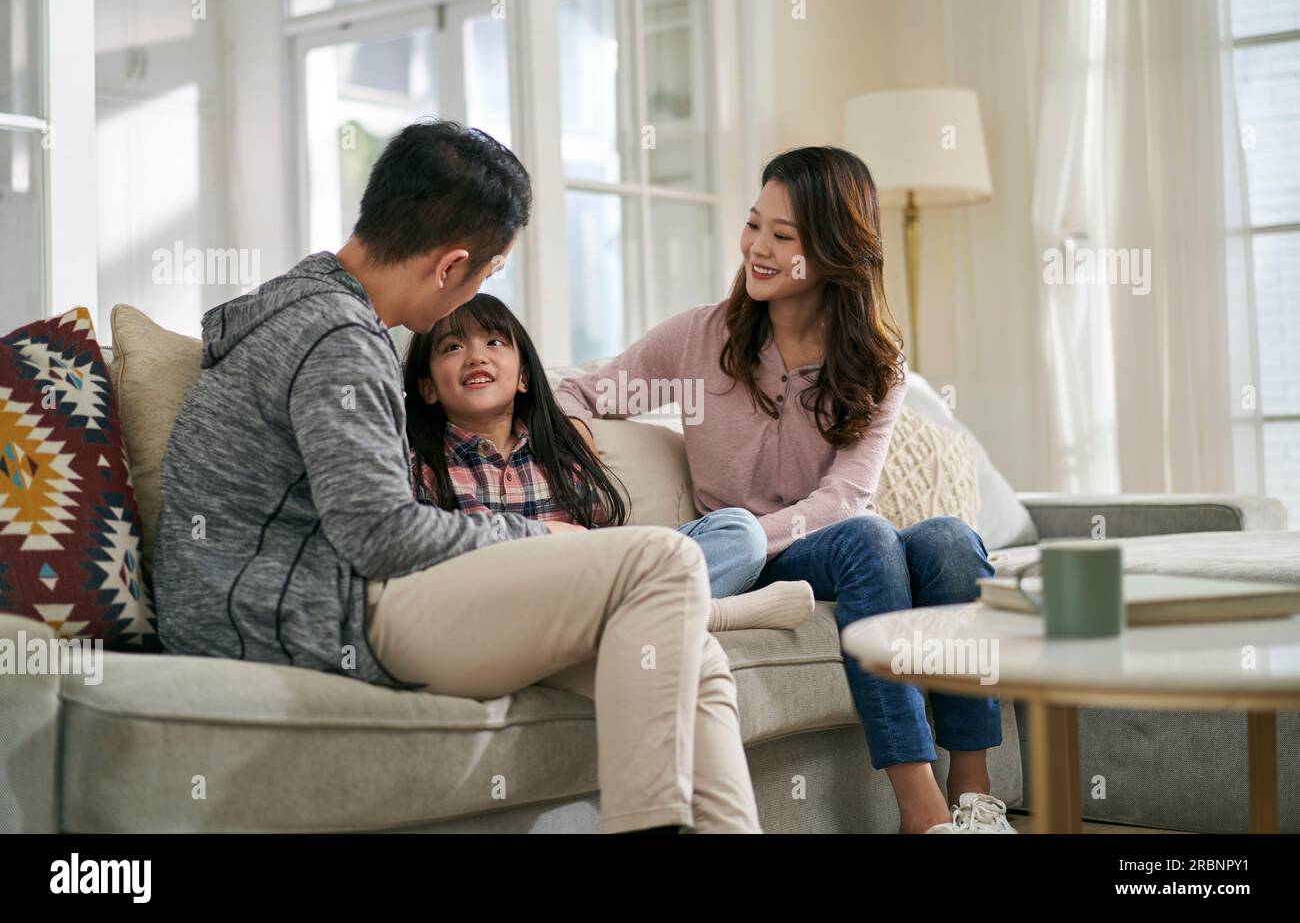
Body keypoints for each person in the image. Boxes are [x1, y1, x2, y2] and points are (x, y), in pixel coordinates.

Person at [153, 119, 761, 834]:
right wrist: (537, 536)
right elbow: (380, 535)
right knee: (665, 559)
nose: (477, 292)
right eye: (486, 273)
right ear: (450, 266)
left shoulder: (307, 306)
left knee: (696, 657)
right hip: (319, 614)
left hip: (307, 600)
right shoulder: (339, 339)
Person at [555, 147, 1012, 834]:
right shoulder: (699, 340)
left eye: (783, 236)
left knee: (950, 539)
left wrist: (776, 530)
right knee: (868, 538)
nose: (757, 249)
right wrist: (575, 427)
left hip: (833, 544)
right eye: (753, 225)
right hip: (753, 560)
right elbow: (577, 390)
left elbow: (845, 496)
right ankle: (922, 813)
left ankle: (973, 798)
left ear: (832, 252)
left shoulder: (876, 364)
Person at [403, 291, 815, 632]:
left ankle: (646, 615)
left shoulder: (560, 450)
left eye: (494, 342)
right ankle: (703, 614)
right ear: (428, 389)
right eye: (453, 347)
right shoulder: (422, 465)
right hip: (508, 609)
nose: (476, 356)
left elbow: (606, 547)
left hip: (591, 588)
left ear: (525, 377)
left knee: (740, 531)